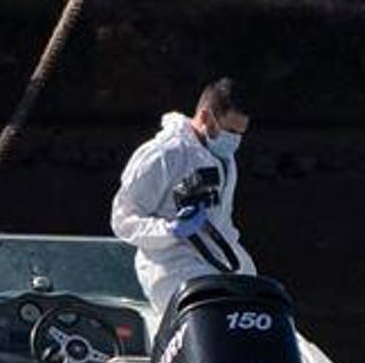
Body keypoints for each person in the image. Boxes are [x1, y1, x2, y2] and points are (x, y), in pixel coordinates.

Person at [110, 77, 257, 317]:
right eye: (230, 131)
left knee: (260, 303)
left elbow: (223, 220)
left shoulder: (225, 158)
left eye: (240, 133)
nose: (235, 140)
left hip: (221, 261)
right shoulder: (163, 155)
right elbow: (123, 221)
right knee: (213, 314)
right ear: (206, 116)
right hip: (172, 267)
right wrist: (172, 230)